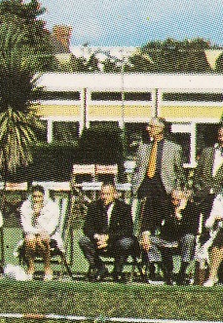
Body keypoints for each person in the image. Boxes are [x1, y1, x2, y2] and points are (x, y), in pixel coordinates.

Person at [131, 118, 183, 262]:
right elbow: (138, 169)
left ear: (161, 129)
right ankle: (146, 261)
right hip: (145, 190)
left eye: (152, 126)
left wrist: (177, 191)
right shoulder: (143, 146)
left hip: (163, 191)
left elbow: (179, 172)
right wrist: (135, 184)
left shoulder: (173, 148)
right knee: (143, 227)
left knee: (161, 228)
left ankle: (163, 262)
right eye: (149, 126)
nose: (148, 129)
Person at [78, 181, 137, 282]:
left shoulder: (124, 208)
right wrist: (97, 236)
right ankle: (100, 268)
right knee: (83, 241)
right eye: (102, 194)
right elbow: (87, 227)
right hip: (98, 242)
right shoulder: (94, 206)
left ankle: (117, 271)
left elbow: (127, 230)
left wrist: (108, 238)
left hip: (116, 242)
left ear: (115, 194)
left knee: (126, 242)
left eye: (107, 194)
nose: (104, 197)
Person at [146, 186, 202, 285]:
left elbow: (192, 230)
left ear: (184, 199)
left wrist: (180, 216)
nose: (175, 202)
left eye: (178, 200)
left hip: (183, 240)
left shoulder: (193, 208)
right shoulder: (165, 206)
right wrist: (174, 215)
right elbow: (158, 223)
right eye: (173, 199)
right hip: (167, 238)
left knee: (189, 238)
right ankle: (166, 272)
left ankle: (182, 272)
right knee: (148, 240)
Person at [17, 185, 62, 281]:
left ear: (44, 196)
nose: (37, 199)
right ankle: (31, 267)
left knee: (41, 239)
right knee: (30, 239)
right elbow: (26, 226)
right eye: (34, 196)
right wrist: (35, 216)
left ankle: (47, 267)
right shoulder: (26, 206)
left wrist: (39, 217)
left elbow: (53, 225)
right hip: (31, 235)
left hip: (49, 236)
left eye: (39, 197)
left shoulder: (53, 207)